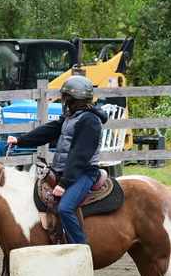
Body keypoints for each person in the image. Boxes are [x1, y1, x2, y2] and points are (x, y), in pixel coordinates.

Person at [6, 76, 108, 245]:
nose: (63, 100)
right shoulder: (73, 117)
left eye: (64, 96)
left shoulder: (89, 121)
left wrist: (65, 184)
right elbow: (49, 130)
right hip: (66, 170)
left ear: (70, 98)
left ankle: (80, 249)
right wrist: (21, 140)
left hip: (84, 173)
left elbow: (79, 155)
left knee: (65, 208)